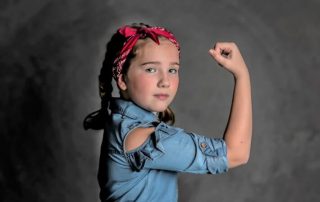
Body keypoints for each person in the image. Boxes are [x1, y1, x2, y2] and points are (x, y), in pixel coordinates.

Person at [84, 23, 252, 202]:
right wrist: (242, 75)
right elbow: (236, 153)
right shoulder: (140, 137)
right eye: (151, 69)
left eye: (172, 70)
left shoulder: (120, 122)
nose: (165, 81)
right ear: (122, 79)